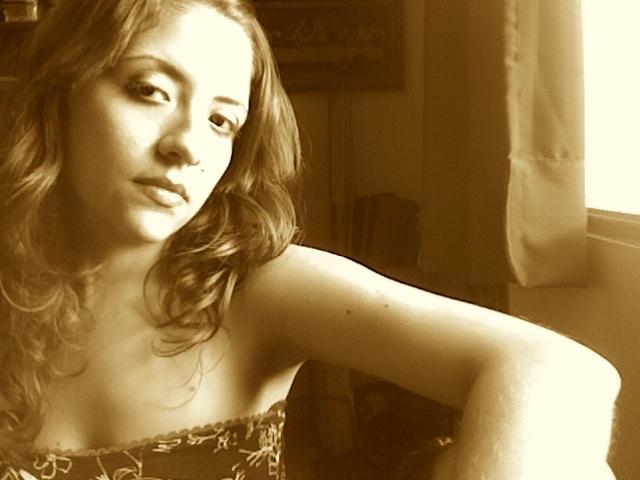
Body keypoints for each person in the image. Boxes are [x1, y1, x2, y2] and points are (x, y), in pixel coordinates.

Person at [0, 0, 620, 479]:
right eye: (150, 91)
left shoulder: (254, 286)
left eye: (221, 120)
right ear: (61, 91)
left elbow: (562, 375)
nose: (187, 145)